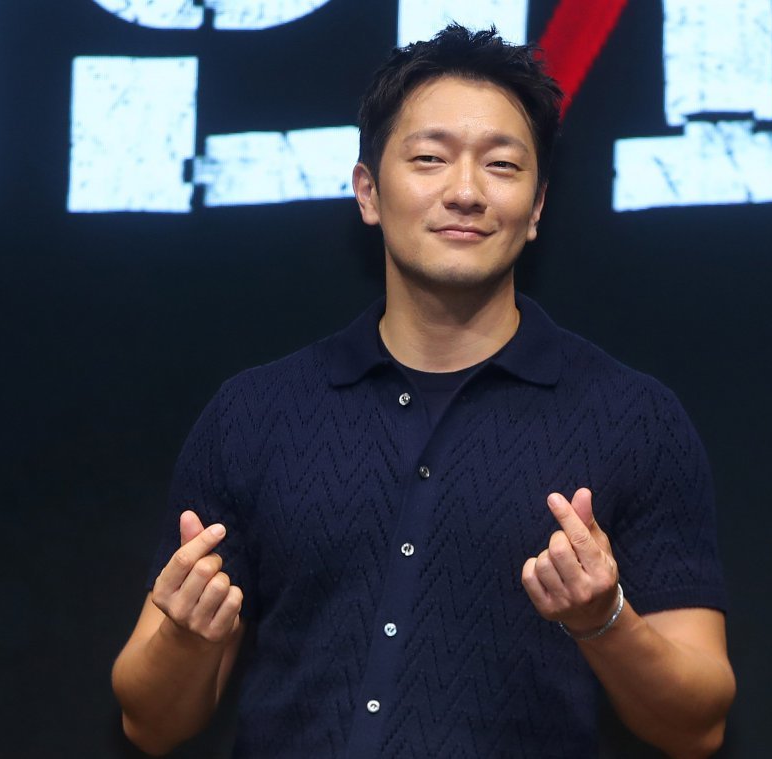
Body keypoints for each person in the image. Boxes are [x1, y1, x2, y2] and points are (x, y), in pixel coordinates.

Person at [112, 24, 734, 758]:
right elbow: (149, 724)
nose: (465, 192)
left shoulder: (632, 417)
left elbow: (698, 726)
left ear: (537, 208)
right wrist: (185, 638)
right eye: (430, 159)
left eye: (502, 165)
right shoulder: (253, 414)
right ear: (368, 191)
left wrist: (604, 618)